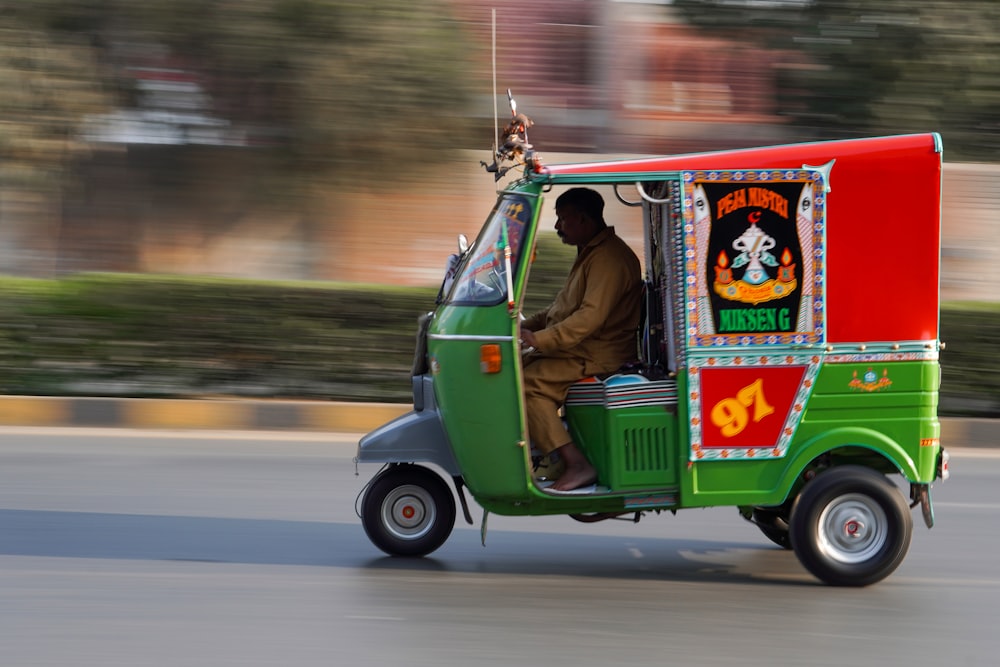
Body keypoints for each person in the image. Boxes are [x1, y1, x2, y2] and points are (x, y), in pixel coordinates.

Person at [520, 187, 642, 491]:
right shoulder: (591, 251)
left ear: (584, 219)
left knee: (525, 383)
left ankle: (577, 464)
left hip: (598, 353)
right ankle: (547, 455)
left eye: (563, 220)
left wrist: (538, 340)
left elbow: (588, 318)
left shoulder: (609, 259)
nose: (558, 227)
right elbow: (561, 308)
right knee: (514, 368)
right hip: (580, 347)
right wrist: (523, 326)